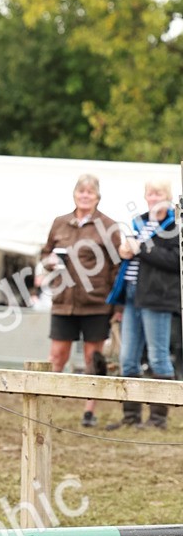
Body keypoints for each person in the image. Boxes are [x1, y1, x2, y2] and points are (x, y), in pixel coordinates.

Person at [39, 174, 121, 427]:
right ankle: (46, 406)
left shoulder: (108, 226)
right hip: (64, 300)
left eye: (90, 192)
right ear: (74, 194)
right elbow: (44, 253)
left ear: (97, 196)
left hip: (97, 302)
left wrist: (117, 307)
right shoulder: (60, 222)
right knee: (56, 356)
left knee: (92, 358)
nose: (85, 195)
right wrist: (49, 260)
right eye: (81, 191)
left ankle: (89, 410)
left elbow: (118, 268)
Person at [105, 180, 180, 431]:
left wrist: (141, 248)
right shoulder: (138, 222)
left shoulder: (174, 226)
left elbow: (173, 261)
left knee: (158, 357)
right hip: (131, 295)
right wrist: (125, 250)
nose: (154, 197)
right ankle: (131, 416)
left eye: (159, 193)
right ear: (145, 196)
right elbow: (133, 255)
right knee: (127, 359)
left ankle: (158, 419)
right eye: (150, 193)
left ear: (167, 197)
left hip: (157, 296)